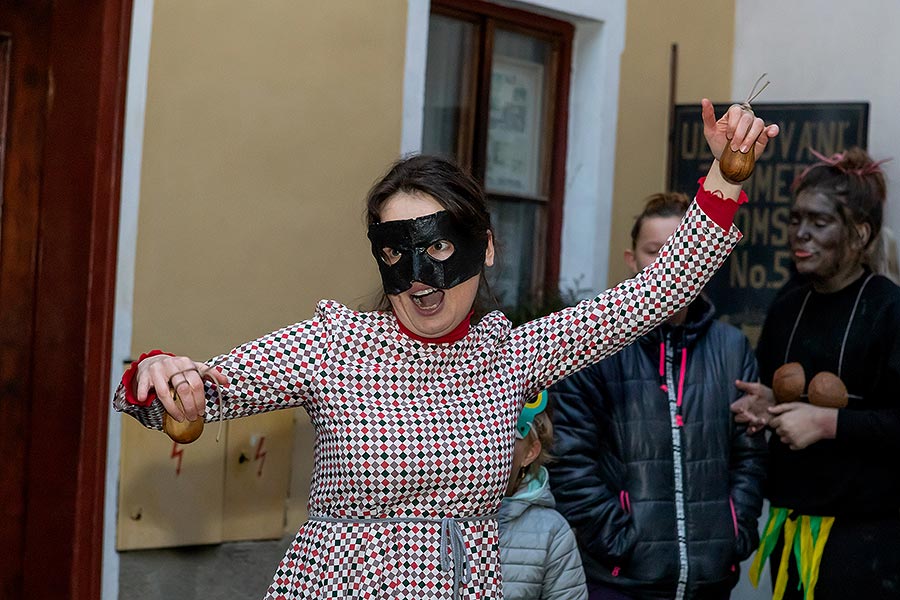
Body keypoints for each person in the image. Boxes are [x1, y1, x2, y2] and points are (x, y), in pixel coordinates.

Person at [114, 100, 777, 599]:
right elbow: (201, 389)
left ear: (483, 247)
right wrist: (164, 380)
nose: (421, 280)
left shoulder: (511, 355)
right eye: (396, 252)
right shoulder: (336, 344)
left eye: (437, 248)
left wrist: (724, 177)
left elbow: (658, 292)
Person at [547, 192, 768, 600]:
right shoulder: (595, 346)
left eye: (682, 251)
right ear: (632, 260)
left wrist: (734, 531)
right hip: (619, 581)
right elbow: (570, 459)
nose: (670, 265)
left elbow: (749, 457)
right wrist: (620, 539)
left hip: (710, 580)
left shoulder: (732, 348)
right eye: (656, 252)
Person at [731, 148, 900, 600]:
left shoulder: (889, 309)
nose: (800, 233)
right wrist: (764, 405)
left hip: (868, 540)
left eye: (819, 222)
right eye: (795, 219)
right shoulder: (788, 305)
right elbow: (778, 395)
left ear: (859, 233)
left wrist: (826, 423)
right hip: (789, 523)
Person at [498, 390, 588, 600]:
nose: (490, 450)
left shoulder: (552, 533)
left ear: (530, 452)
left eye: (504, 437)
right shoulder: (429, 515)